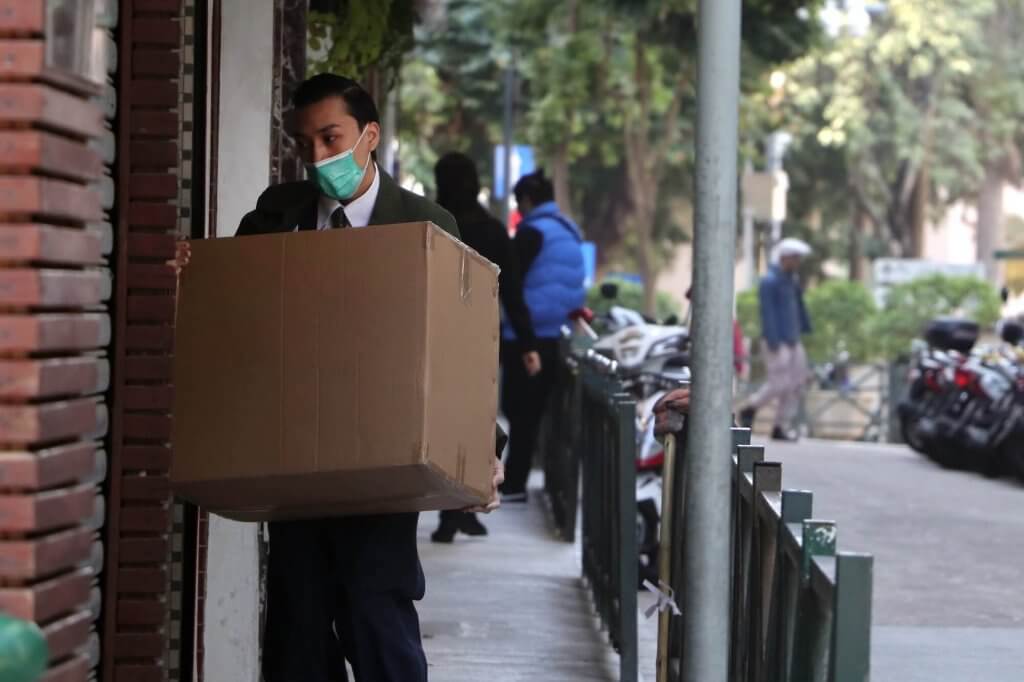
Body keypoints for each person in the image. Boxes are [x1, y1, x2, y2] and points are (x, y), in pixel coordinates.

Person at [173, 74, 502, 682]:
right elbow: (239, 321)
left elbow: (463, 352)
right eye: (306, 144)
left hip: (385, 466)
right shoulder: (276, 217)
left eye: (332, 139)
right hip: (295, 468)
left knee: (377, 620)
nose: (320, 159)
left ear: (369, 135)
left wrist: (485, 449)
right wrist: (196, 277)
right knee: (298, 632)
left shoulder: (424, 227)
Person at [429, 152, 539, 542]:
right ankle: (461, 507)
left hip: (432, 337)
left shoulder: (430, 223)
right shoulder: (491, 229)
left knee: (434, 424)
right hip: (476, 341)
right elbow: (512, 291)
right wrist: (528, 343)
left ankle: (450, 511)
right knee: (474, 426)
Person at [499, 170, 586, 502]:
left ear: (527, 200)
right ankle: (528, 479)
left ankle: (515, 482)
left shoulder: (531, 233)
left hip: (526, 339)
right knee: (534, 413)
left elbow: (510, 284)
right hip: (558, 337)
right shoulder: (570, 232)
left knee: (517, 411)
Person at [738, 238, 813, 441]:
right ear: (784, 257)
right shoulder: (769, 281)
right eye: (795, 258)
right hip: (777, 340)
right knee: (778, 383)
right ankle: (751, 408)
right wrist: (773, 340)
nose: (797, 262)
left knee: (796, 383)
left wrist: (805, 328)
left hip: (793, 339)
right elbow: (768, 312)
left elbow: (799, 306)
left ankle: (780, 426)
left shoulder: (792, 280)